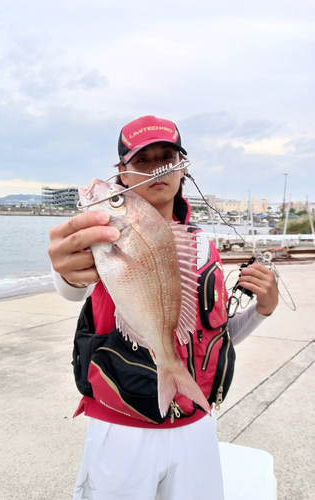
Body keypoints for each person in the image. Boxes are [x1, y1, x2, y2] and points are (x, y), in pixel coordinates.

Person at [48, 115, 278, 500]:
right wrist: (67, 272)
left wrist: (263, 310)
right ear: (122, 173)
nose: (157, 169)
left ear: (182, 168)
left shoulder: (202, 247)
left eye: (166, 158)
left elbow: (213, 336)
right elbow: (73, 286)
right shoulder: (101, 231)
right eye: (143, 161)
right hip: (122, 429)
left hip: (197, 424)